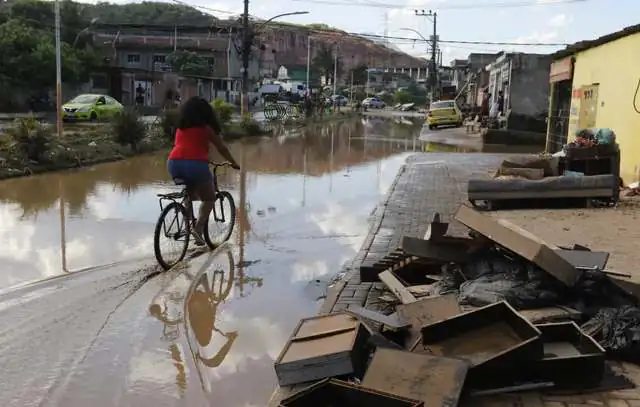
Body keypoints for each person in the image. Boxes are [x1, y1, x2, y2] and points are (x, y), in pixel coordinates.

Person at [167, 97, 240, 246]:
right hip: (195, 164)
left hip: (174, 162)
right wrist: (234, 163)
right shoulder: (206, 129)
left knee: (190, 193)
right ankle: (197, 230)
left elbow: (186, 145)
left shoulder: (180, 128)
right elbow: (222, 148)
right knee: (209, 198)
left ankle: (187, 223)